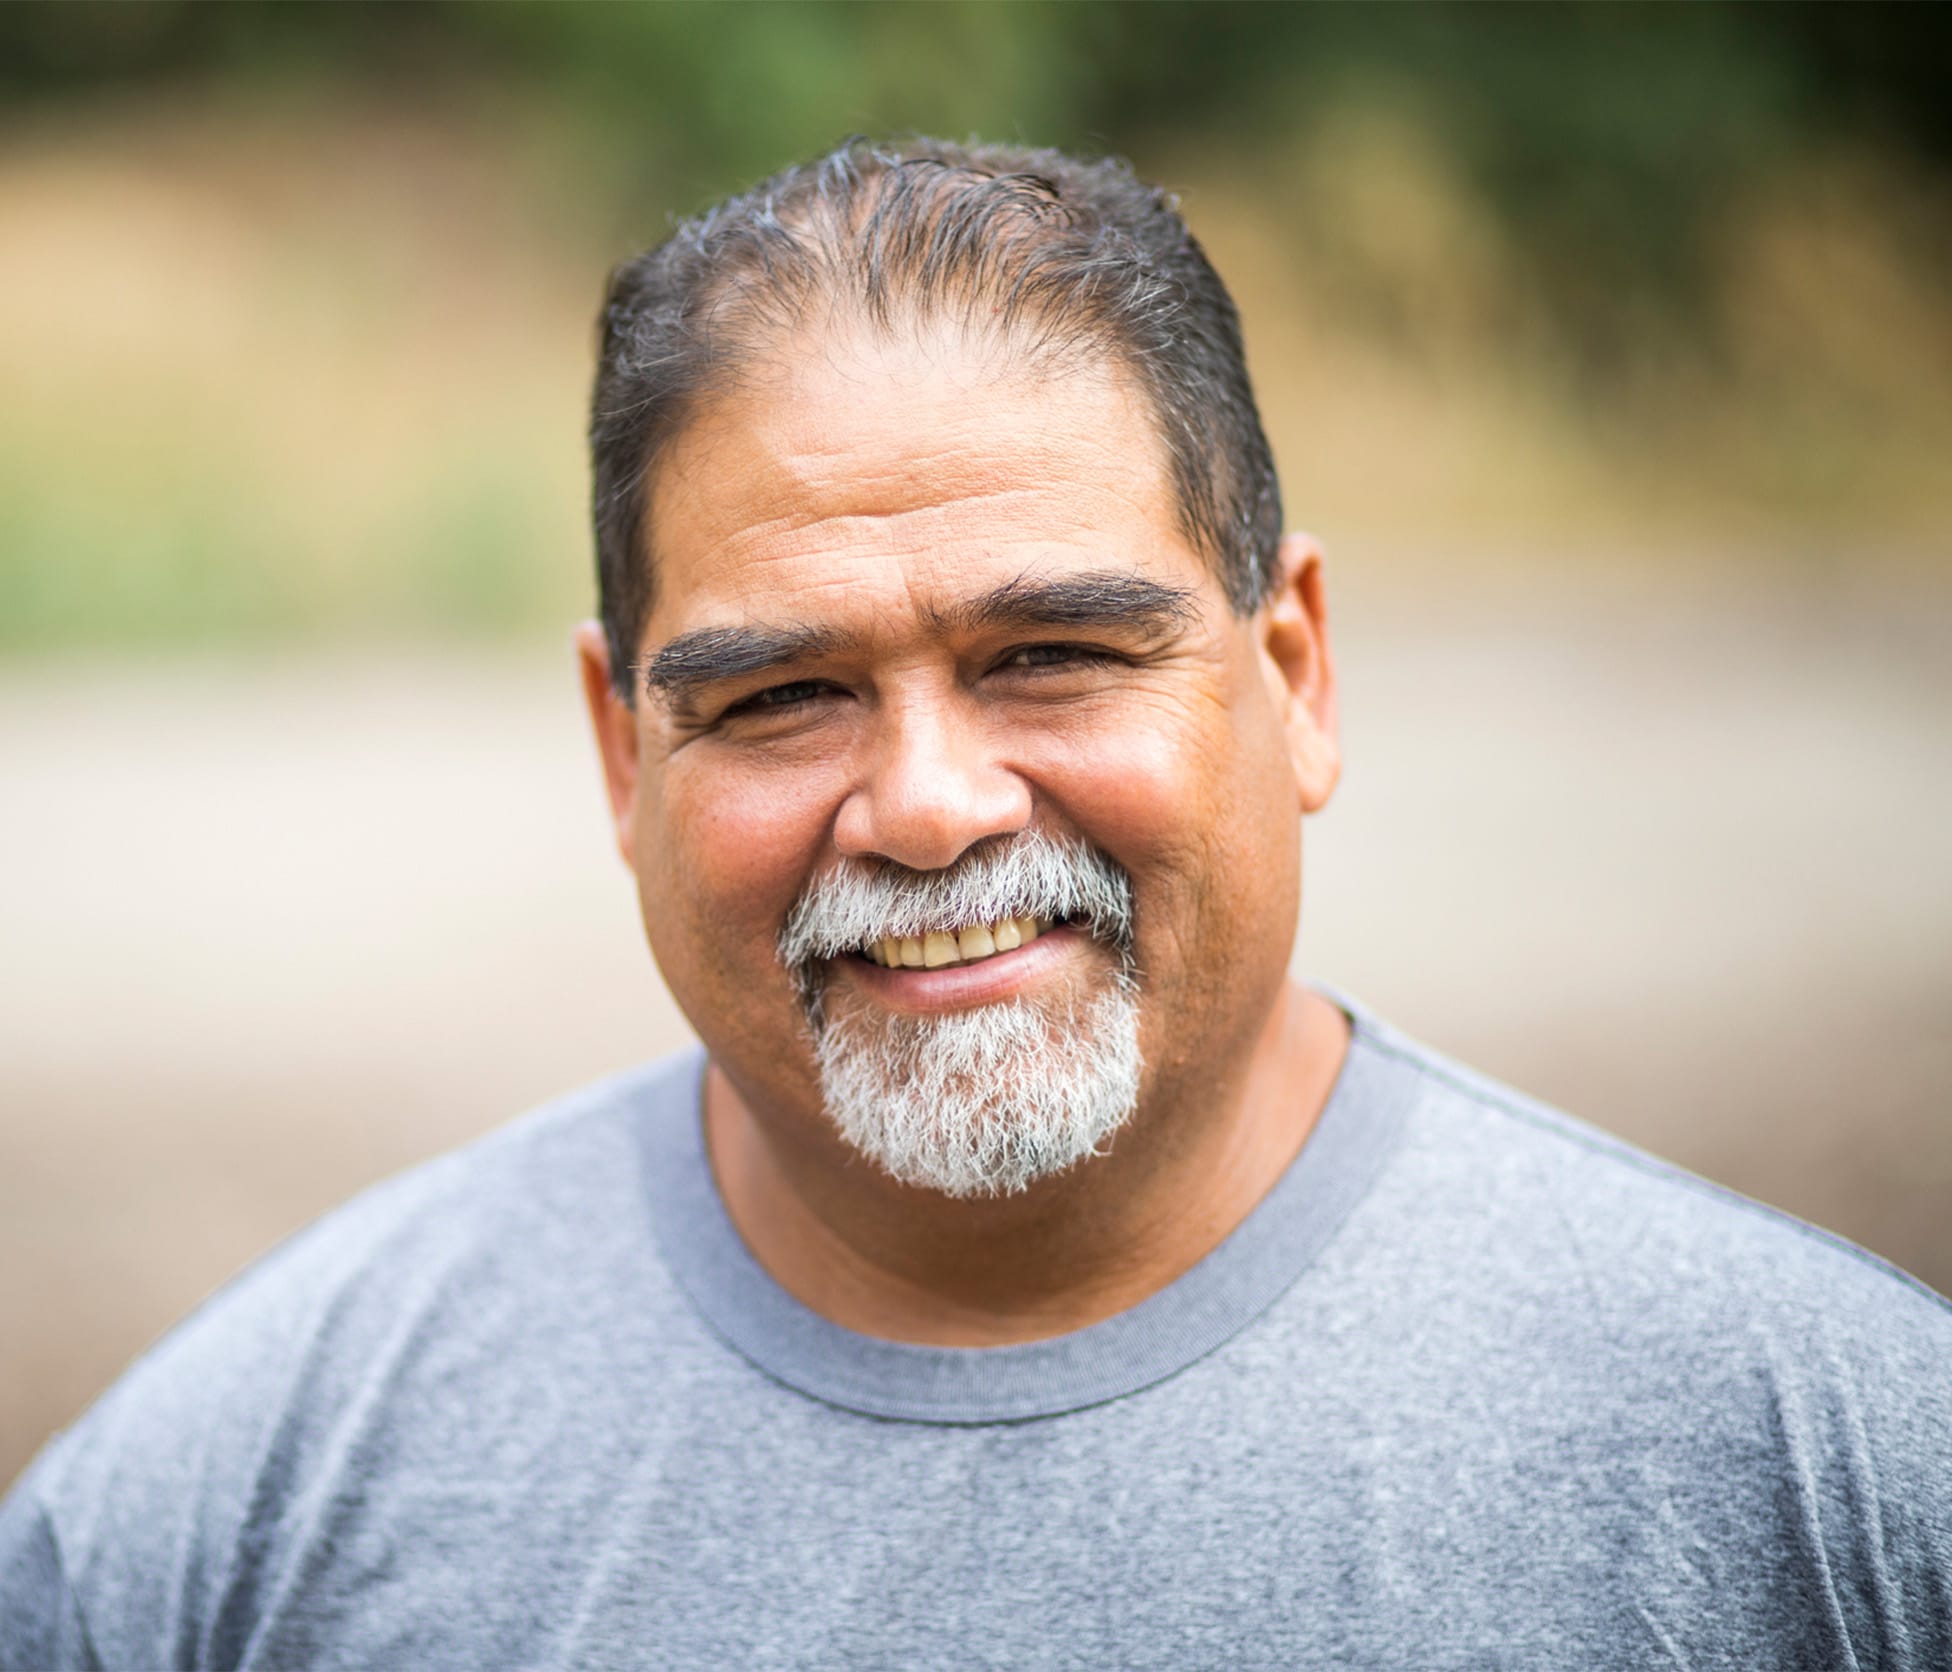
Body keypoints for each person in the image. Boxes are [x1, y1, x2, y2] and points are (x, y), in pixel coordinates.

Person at [3, 136, 1948, 1671]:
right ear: (622, 755)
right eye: (781, 694)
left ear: (1297, 673)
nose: (927, 809)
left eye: (1052, 654)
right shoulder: (234, 1504)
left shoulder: (1827, 1472)